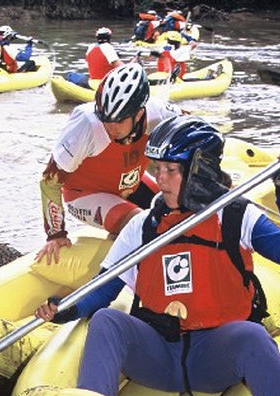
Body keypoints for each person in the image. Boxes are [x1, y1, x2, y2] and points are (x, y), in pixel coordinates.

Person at [35, 116, 280, 396]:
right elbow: (103, 291)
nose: (160, 178)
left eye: (171, 169)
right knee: (107, 322)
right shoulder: (144, 225)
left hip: (213, 356)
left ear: (199, 172)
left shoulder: (235, 215)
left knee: (253, 338)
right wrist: (64, 309)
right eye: (158, 168)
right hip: (159, 353)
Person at [37, 63, 181, 264]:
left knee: (182, 209)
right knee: (145, 225)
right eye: (106, 118)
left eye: (119, 121)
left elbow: (199, 135)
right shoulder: (86, 124)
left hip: (130, 184)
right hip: (84, 195)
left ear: (139, 114)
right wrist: (56, 233)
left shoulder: (161, 113)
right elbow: (49, 182)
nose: (111, 127)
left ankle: (119, 240)